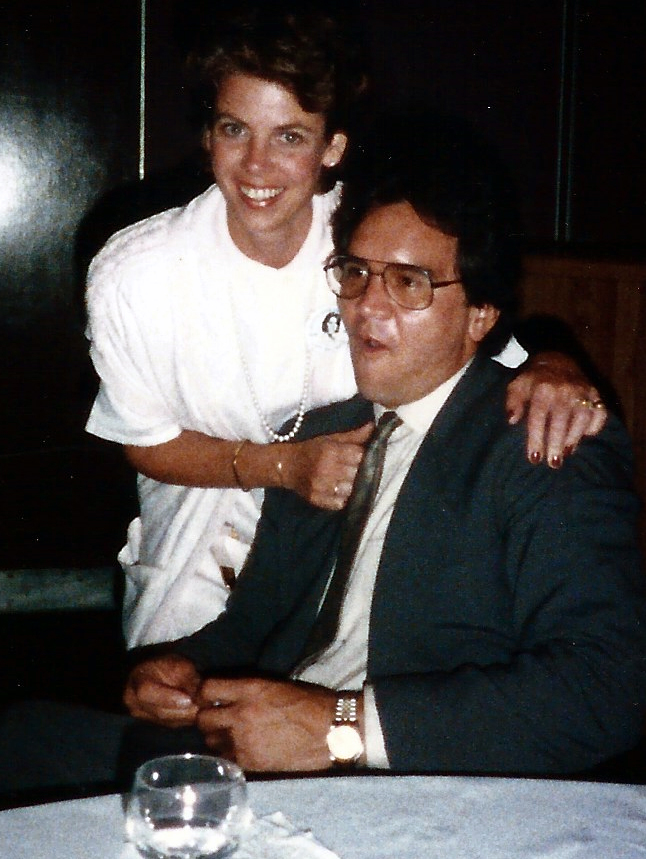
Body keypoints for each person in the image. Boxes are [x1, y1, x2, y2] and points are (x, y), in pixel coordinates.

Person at [122, 112, 646, 777]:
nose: (368, 308)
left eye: (408, 283)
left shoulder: (542, 441)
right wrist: (181, 668)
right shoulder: (323, 433)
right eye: (357, 273)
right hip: (264, 761)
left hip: (414, 786)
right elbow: (257, 622)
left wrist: (340, 729)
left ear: (481, 315)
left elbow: (603, 689)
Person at [85, 0, 606, 648]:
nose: (255, 165)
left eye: (289, 137)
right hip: (195, 538)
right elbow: (144, 440)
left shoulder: (368, 238)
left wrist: (553, 363)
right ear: (209, 135)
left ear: (331, 146)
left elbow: (482, 339)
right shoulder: (134, 274)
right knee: (171, 690)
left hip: (350, 543)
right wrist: (283, 467)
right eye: (235, 129)